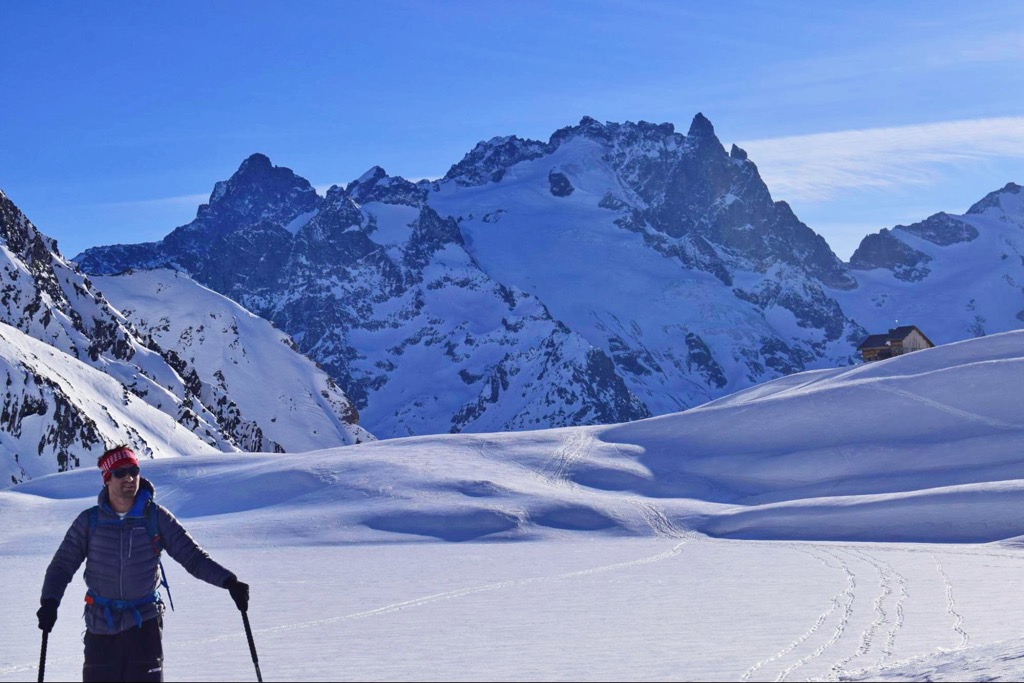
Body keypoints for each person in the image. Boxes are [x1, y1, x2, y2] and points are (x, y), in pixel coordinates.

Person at [36, 445, 250, 682]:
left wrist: (229, 581)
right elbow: (62, 566)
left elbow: (193, 557)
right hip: (100, 627)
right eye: (120, 472)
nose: (129, 477)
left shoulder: (155, 517)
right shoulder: (90, 521)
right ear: (107, 479)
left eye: (134, 471)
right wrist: (50, 602)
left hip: (144, 625)